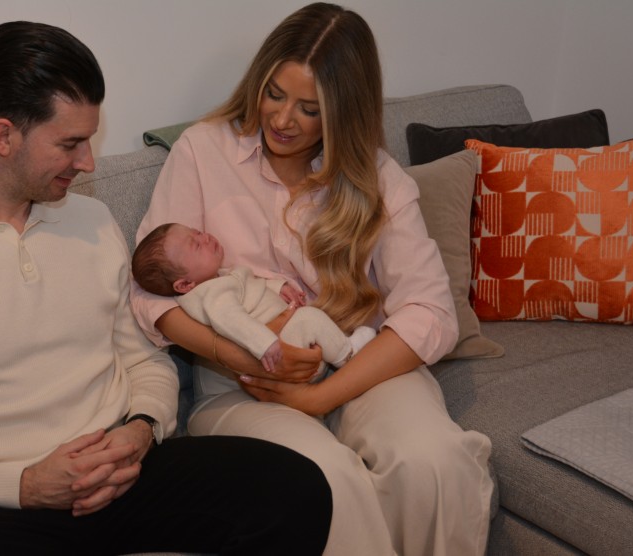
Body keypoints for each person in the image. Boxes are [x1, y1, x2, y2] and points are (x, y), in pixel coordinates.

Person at [0, 20, 333, 555]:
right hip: (8, 504)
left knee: (296, 488)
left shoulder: (93, 222)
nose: (88, 163)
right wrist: (25, 485)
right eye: (71, 144)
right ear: (4, 135)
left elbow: (147, 362)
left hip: (128, 471)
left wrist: (142, 430)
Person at [130, 3, 494, 555]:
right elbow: (149, 298)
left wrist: (321, 395)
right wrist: (238, 355)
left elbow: (430, 313)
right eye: (274, 93)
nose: (281, 120)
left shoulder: (377, 178)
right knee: (325, 480)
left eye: (310, 109)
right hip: (239, 390)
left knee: (436, 464)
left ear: (344, 114)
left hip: (355, 365)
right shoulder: (203, 152)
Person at [131, 222, 376, 375]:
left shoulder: (218, 278)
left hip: (290, 347)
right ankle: (347, 354)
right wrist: (264, 344)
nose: (205, 237)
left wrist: (277, 287)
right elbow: (229, 320)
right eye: (196, 245)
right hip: (280, 354)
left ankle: (335, 347)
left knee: (308, 319)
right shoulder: (212, 294)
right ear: (185, 285)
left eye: (198, 232)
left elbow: (249, 285)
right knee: (310, 318)